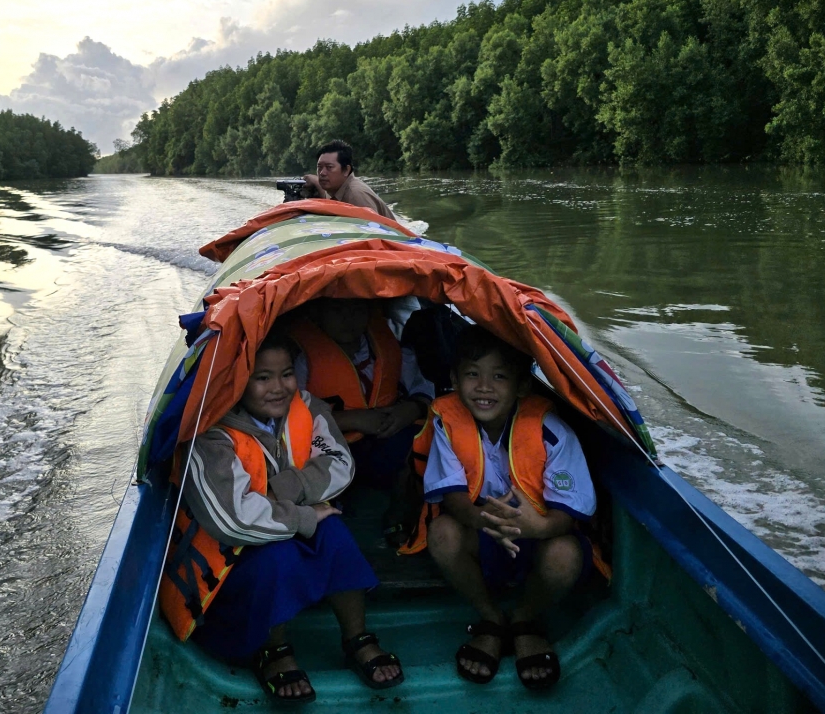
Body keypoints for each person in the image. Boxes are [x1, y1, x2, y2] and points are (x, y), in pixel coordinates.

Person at [157, 332, 404, 703]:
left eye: (286, 374)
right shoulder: (210, 435)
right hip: (228, 558)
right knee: (280, 553)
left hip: (276, 516)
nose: (279, 388)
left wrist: (281, 490)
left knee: (334, 532)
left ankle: (357, 637)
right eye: (262, 378)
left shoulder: (306, 407)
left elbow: (340, 466)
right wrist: (303, 516)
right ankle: (274, 650)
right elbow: (234, 520)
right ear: (237, 382)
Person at [400, 325, 605, 690]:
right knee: (443, 534)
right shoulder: (448, 425)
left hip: (539, 538)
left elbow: (569, 515)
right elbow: (453, 499)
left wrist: (535, 527)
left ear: (522, 386)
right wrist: (484, 520)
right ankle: (491, 618)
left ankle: (525, 619)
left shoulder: (550, 430)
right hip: (483, 535)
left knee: (566, 555)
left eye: (499, 377)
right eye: (472, 375)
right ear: (454, 379)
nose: (483, 387)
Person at [288, 297, 433, 494]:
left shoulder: (390, 350)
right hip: (331, 447)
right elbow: (289, 418)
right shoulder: (302, 361)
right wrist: (351, 420)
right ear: (317, 313)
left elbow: (424, 387)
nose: (348, 318)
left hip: (390, 436)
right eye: (337, 309)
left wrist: (411, 409)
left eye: (357, 309)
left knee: (423, 439)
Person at [301, 139, 395, 220]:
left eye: (329, 167)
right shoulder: (335, 188)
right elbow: (329, 200)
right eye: (319, 167)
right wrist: (315, 182)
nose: (322, 173)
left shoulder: (356, 195)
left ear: (346, 170)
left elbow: (374, 232)